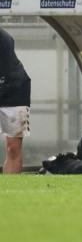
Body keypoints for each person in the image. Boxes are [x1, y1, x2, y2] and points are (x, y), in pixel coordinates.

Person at [0, 27, 31, 174]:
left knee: (13, 148)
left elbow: (4, 73)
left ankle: (9, 191)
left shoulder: (4, 39)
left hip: (14, 89)